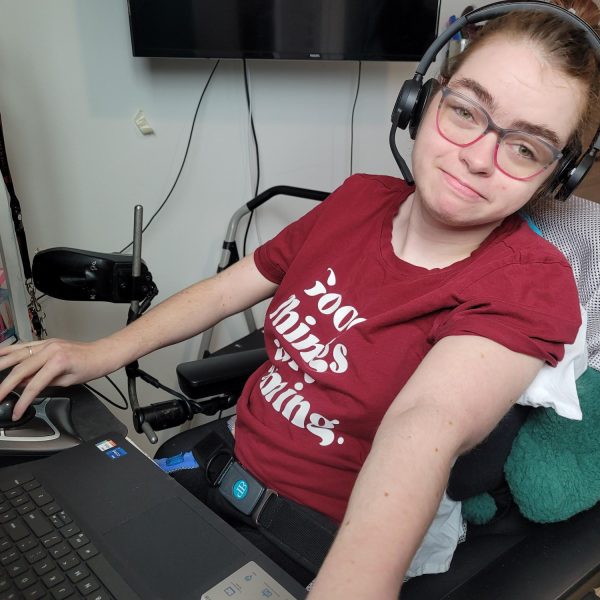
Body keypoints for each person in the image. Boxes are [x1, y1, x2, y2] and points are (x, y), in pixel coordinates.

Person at [0, 0, 599, 596]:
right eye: (466, 111)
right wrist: (96, 353)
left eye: (526, 149)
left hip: (309, 542)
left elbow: (427, 423)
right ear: (422, 100)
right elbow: (228, 288)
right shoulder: (359, 200)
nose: (478, 157)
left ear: (558, 177)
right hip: (213, 466)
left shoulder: (529, 281)